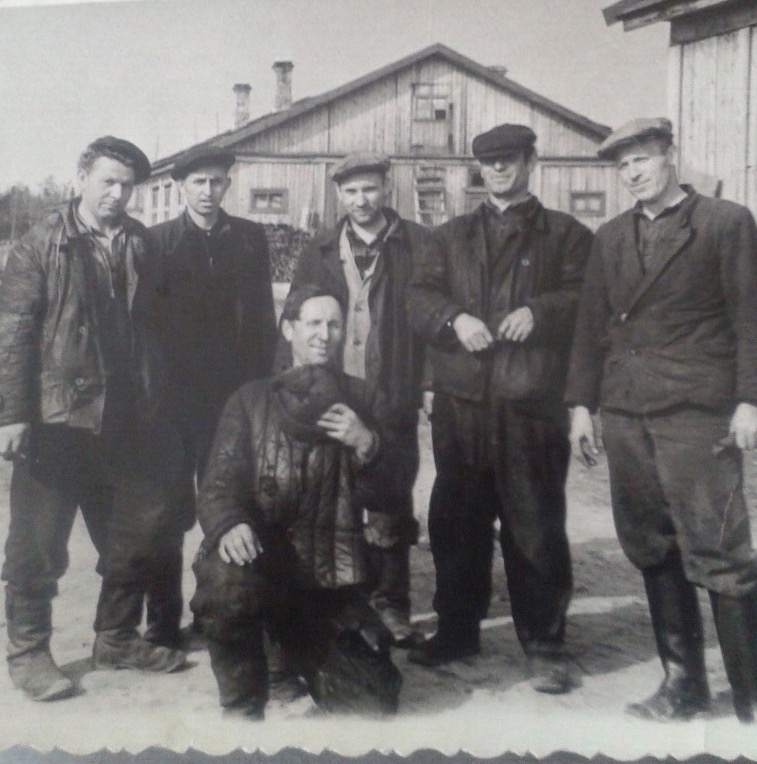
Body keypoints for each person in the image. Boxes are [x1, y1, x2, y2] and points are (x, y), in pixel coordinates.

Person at [566, 117, 757, 723]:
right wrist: (581, 405)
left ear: (671, 156)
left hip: (697, 413)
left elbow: (751, 317)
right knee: (652, 546)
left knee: (721, 553)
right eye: (623, 166)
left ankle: (751, 702)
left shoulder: (725, 223)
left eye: (643, 160)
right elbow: (590, 326)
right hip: (627, 412)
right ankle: (683, 687)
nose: (633, 173)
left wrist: (750, 400)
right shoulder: (610, 237)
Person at [0, 136, 187, 702]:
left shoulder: (142, 243)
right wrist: (12, 413)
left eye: (127, 186)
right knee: (37, 544)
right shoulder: (40, 243)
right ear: (81, 178)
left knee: (133, 536)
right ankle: (29, 653)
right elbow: (13, 332)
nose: (117, 194)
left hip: (126, 419)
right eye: (108, 181)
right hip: (56, 419)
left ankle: (116, 638)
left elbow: (161, 328)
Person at [407, 124, 592, 693]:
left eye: (508, 159)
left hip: (531, 402)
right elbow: (418, 297)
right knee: (456, 523)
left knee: (534, 524)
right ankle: (457, 631)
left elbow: (589, 302)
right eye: (488, 162)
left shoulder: (566, 234)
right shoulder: (450, 235)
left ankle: (545, 645)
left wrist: (541, 311)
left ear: (531, 160)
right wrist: (454, 319)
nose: (498, 170)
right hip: (462, 402)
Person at [189, 285, 406, 719]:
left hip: (326, 582)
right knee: (225, 583)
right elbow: (217, 484)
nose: (325, 335)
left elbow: (391, 495)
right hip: (261, 570)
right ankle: (243, 705)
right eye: (313, 324)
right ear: (289, 329)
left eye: (334, 324)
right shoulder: (250, 400)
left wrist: (366, 444)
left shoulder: (364, 399)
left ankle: (290, 653)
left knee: (373, 704)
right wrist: (230, 523)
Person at [286, 153, 428, 646]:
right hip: (335, 387)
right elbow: (296, 316)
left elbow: (432, 318)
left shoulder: (417, 244)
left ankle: (391, 602)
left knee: (390, 494)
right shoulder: (320, 249)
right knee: (332, 490)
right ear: (338, 195)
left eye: (369, 189)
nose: (361, 200)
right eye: (350, 192)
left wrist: (426, 384)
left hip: (392, 388)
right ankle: (339, 598)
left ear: (386, 189)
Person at [147, 145, 277, 648]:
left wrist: (261, 391)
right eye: (198, 182)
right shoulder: (157, 242)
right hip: (173, 404)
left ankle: (222, 614)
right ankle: (162, 624)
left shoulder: (249, 238)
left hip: (232, 399)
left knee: (231, 503)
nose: (207, 191)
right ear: (181, 187)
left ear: (227, 184)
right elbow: (146, 325)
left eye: (216, 181)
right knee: (166, 511)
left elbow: (263, 318)